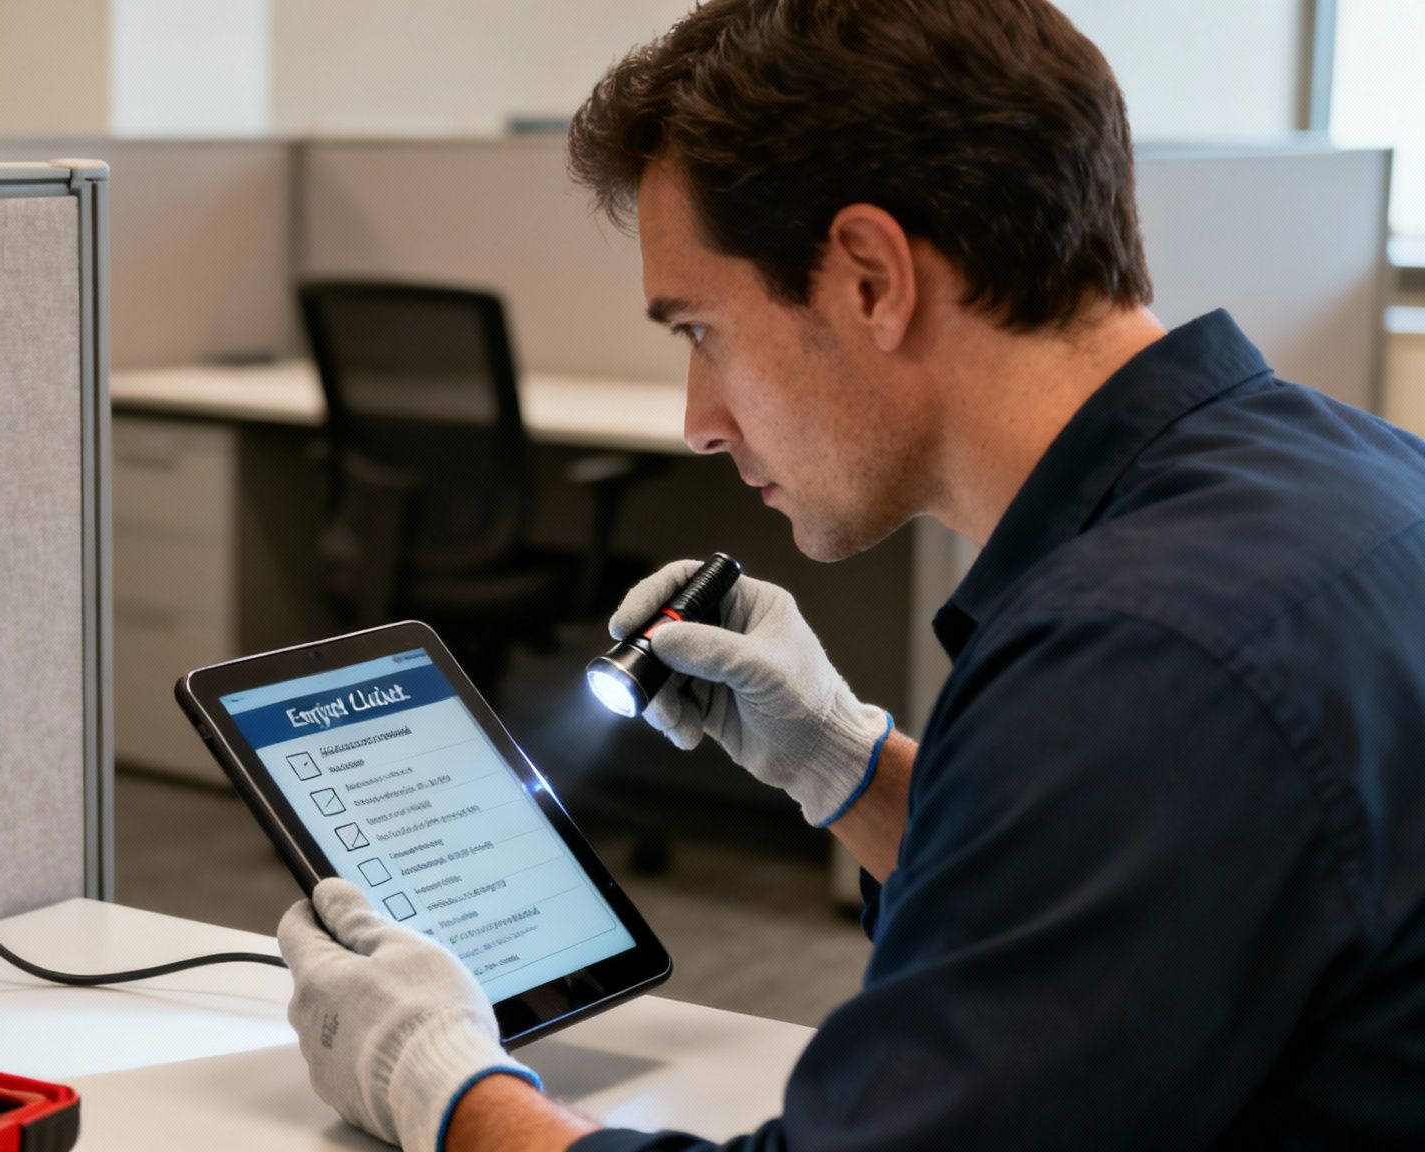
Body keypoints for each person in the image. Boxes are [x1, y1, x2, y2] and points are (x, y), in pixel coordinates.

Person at [270, 0, 1425, 1149]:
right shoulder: (1356, 473)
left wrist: (443, 1090)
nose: (697, 423)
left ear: (869, 277)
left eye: (699, 331)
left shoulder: (1139, 654)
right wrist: (843, 762)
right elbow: (1141, 903)